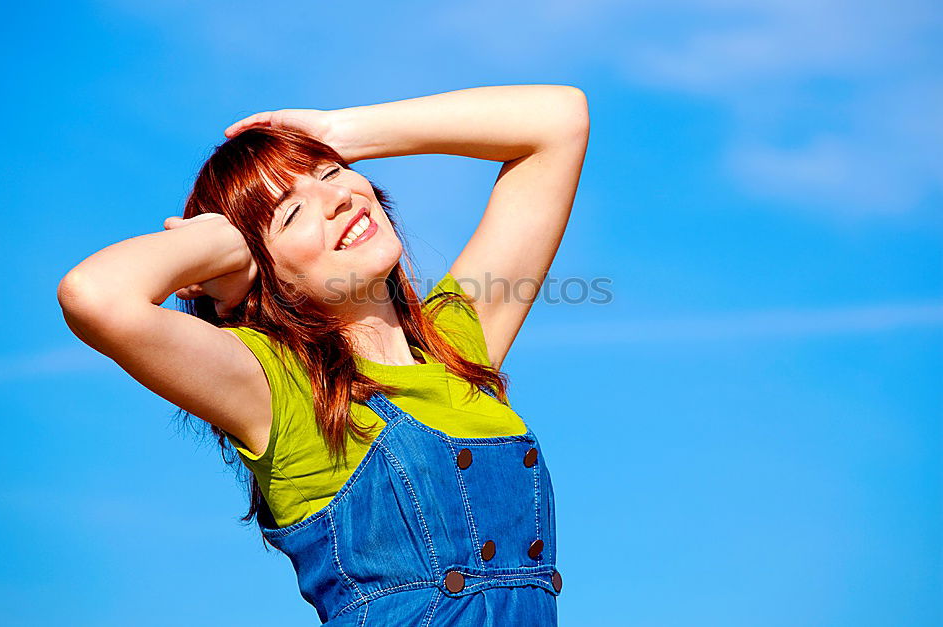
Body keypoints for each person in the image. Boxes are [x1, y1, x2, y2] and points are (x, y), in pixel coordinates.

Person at [57, 84, 590, 625]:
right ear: (262, 273)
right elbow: (94, 296)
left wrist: (340, 134)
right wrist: (225, 246)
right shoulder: (277, 386)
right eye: (290, 216)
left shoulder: (455, 346)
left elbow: (557, 121)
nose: (337, 199)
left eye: (331, 174)